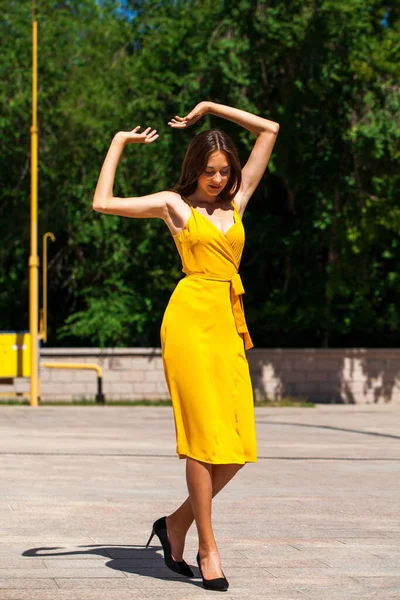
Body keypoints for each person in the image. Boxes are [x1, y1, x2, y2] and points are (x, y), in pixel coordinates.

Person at [93, 101, 279, 591]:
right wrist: (118, 142)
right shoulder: (175, 206)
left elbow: (270, 129)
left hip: (228, 322)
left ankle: (174, 524)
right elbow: (103, 203)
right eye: (208, 171)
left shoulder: (236, 204)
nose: (217, 179)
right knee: (200, 439)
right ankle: (207, 547)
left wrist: (211, 108)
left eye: (223, 171)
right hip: (189, 320)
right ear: (193, 169)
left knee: (237, 448)